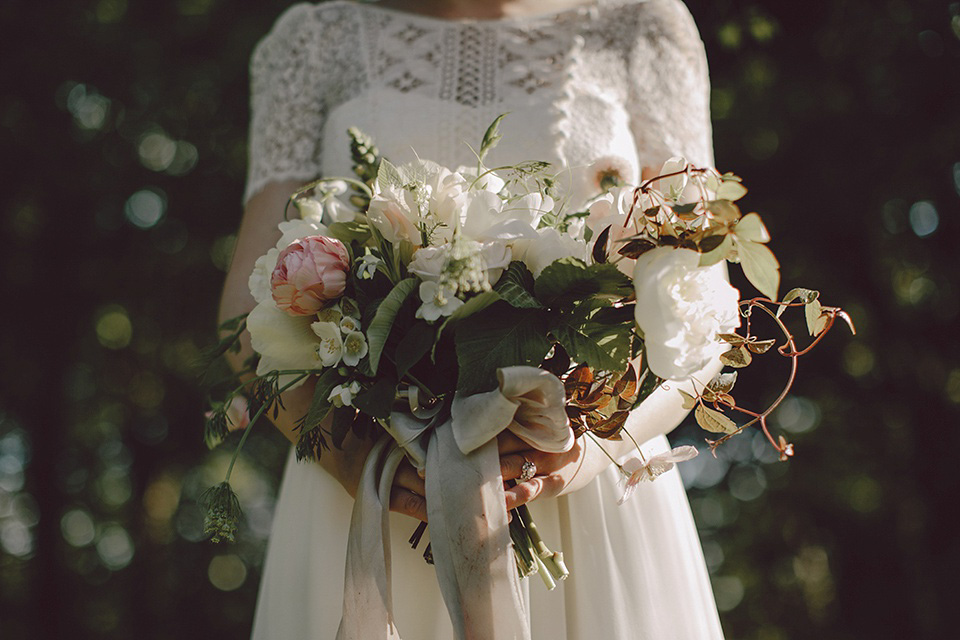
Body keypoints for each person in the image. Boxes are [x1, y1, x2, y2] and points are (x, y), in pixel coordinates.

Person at [218, 0, 726, 637]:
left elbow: (705, 302)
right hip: (366, 488)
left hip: (589, 487)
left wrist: (591, 455)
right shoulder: (315, 40)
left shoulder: (642, 26)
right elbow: (243, 313)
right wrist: (355, 463)